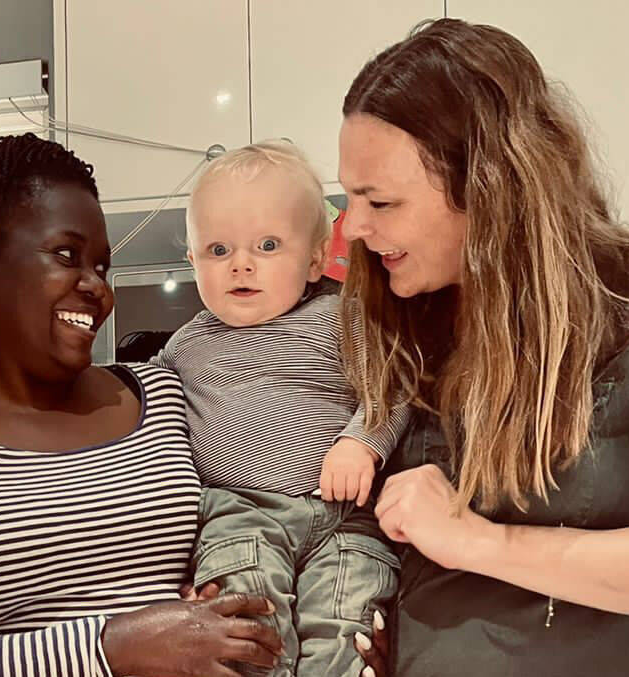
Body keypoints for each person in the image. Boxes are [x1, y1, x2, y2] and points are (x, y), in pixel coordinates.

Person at [0, 133, 285, 677]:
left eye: (103, 267)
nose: (97, 287)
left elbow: (287, 503)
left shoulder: (164, 393)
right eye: (66, 256)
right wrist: (111, 648)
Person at [333, 18, 629, 676]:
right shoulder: (403, 321)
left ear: (489, 190)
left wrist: (481, 541)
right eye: (351, 197)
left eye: (381, 201)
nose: (354, 228)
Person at [152, 141, 409, 677]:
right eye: (218, 251)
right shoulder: (182, 348)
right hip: (237, 515)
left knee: (348, 629)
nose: (241, 264)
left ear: (315, 257)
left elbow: (395, 383)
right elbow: (142, 412)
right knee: (244, 632)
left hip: (345, 521)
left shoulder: (343, 318)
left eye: (268, 245)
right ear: (192, 262)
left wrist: (362, 440)